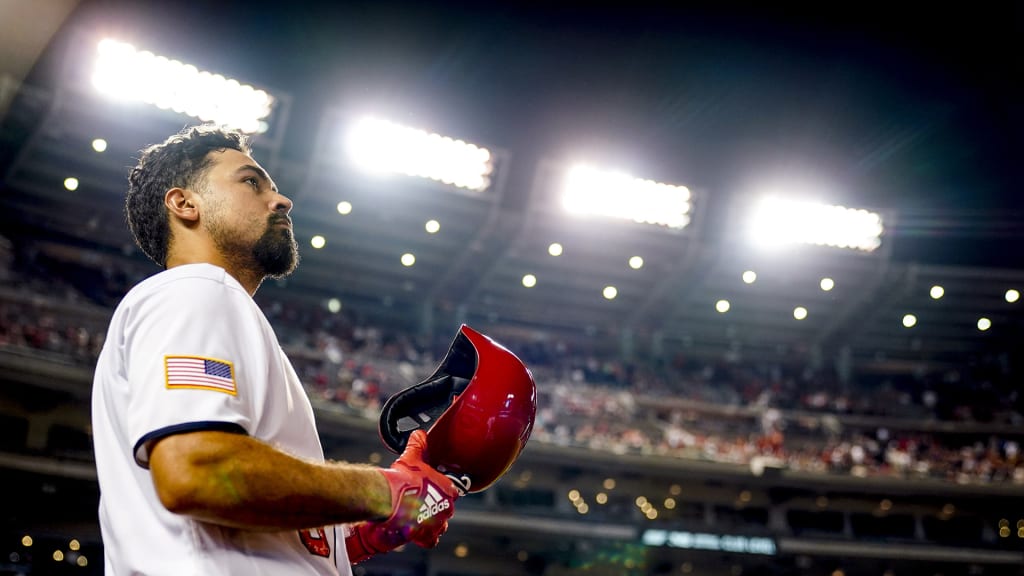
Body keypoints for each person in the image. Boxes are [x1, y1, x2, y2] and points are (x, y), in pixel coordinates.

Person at [91, 124, 460, 575]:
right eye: (251, 182)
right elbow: (196, 471)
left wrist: (357, 536)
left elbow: (228, 512)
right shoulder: (196, 289)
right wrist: (386, 491)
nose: (282, 200)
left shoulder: (209, 304)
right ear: (185, 204)